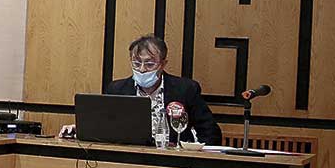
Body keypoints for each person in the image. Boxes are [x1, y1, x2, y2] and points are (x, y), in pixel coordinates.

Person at [60, 34, 222, 144]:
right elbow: (104, 128)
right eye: (137, 63)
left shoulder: (185, 89)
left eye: (150, 64)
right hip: (128, 161)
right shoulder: (117, 89)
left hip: (173, 162)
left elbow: (211, 133)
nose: (142, 69)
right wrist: (80, 130)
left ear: (163, 64)